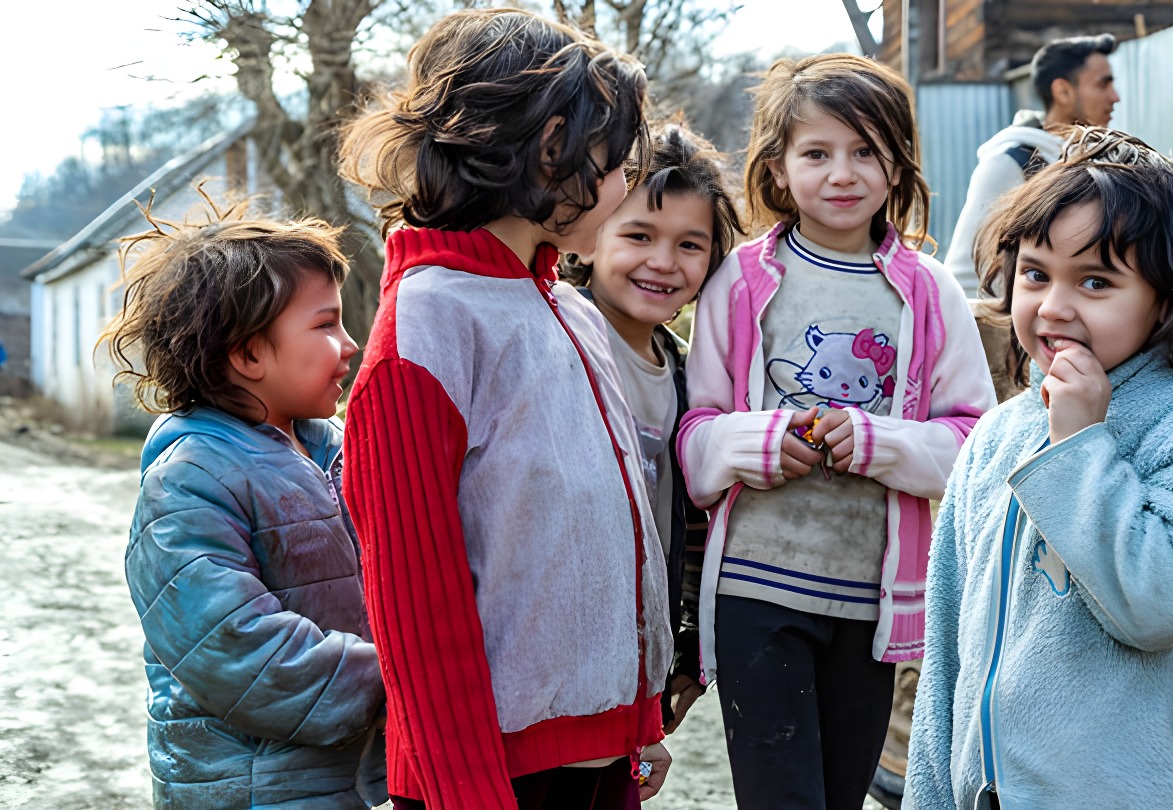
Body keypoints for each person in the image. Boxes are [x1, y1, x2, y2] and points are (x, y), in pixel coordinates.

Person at [337, 9, 671, 810]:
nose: (626, 186)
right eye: (615, 162)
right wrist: (468, 794)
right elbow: (416, 605)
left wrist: (640, 719)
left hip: (598, 754)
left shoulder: (571, 307)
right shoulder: (429, 322)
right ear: (553, 145)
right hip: (491, 779)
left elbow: (602, 529)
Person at [904, 128, 1173, 810]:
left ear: (1167, 297)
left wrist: (1081, 447)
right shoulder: (996, 433)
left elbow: (1158, 607)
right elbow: (947, 644)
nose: (1054, 305)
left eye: (1095, 280)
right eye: (1036, 274)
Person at [678, 53, 998, 809]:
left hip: (873, 608)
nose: (842, 173)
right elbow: (694, 442)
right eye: (816, 153)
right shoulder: (741, 280)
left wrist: (879, 443)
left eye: (865, 152)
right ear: (779, 169)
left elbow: (973, 444)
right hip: (756, 593)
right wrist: (757, 444)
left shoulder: (929, 291)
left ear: (896, 166)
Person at [99, 206, 386, 808]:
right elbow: (238, 650)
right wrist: (402, 676)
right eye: (326, 325)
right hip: (253, 788)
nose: (351, 344)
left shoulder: (331, 448)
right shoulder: (190, 481)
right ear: (249, 354)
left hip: (343, 778)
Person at [559, 120, 741, 736]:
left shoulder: (695, 375)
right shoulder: (556, 340)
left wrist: (686, 645)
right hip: (561, 644)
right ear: (588, 235)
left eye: (690, 245)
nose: (663, 263)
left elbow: (690, 522)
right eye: (639, 235)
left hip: (642, 656)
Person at [944, 33, 1119, 293]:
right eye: (1102, 85)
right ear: (1062, 91)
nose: (1115, 97)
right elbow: (963, 278)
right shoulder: (1012, 162)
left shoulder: (1106, 160)